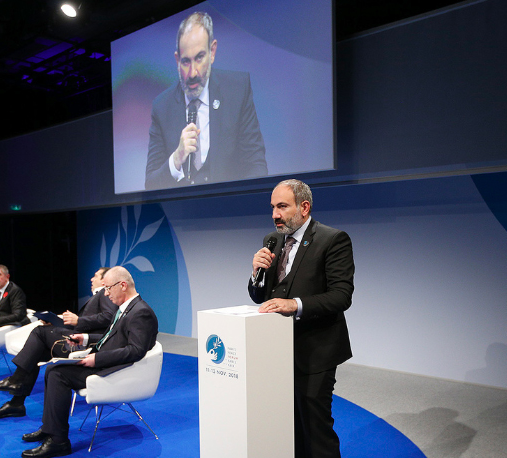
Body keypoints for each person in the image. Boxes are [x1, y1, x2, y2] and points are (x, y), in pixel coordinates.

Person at [248, 179, 355, 458]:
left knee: (315, 429)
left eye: (282, 206)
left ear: (304, 207)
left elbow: (341, 296)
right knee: (288, 427)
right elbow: (260, 297)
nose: (274, 214)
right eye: (272, 207)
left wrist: (294, 304)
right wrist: (255, 273)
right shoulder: (272, 241)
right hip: (277, 353)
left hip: (316, 351)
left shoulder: (333, 239)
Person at [20, 266, 158, 458]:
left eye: (109, 288)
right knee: (53, 369)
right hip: (105, 361)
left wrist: (97, 358)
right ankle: (50, 428)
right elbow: (111, 337)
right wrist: (84, 339)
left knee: (58, 374)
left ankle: (58, 441)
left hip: (114, 369)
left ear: (123, 285)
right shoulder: (126, 309)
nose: (107, 293)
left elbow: (135, 350)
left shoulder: (141, 312)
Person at [144, 11, 267, 190]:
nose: (193, 73)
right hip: (182, 215)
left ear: (213, 51)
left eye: (199, 58)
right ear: (177, 60)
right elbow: (151, 183)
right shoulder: (162, 107)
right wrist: (177, 157)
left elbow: (256, 165)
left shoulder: (237, 90)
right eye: (185, 62)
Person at [0, 267, 118, 419]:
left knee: (39, 332)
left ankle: (16, 381)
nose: (91, 279)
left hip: (87, 346)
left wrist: (79, 320)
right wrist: (57, 323)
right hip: (78, 340)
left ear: (104, 280)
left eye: (95, 276)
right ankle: (16, 403)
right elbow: (89, 324)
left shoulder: (105, 294)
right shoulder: (99, 296)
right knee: (35, 352)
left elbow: (109, 317)